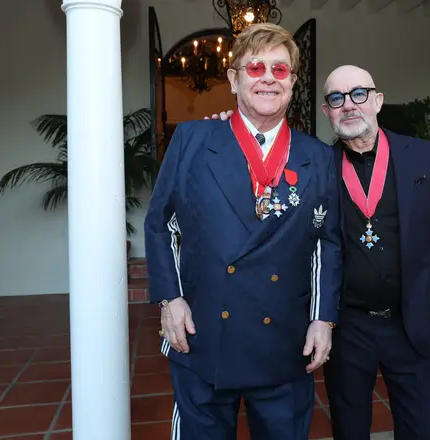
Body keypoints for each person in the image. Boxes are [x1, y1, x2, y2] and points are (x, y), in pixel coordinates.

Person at [207, 65, 430, 440]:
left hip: (413, 323)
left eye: (358, 94)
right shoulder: (317, 165)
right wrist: (227, 130)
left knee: (418, 428)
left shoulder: (425, 157)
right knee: (349, 427)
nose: (349, 105)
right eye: (336, 98)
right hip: (347, 327)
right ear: (327, 112)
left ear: (377, 101)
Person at [144, 23, 343, 440]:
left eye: (280, 69)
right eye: (254, 67)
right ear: (234, 80)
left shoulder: (318, 157)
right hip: (201, 334)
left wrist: (323, 318)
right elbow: (159, 222)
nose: (268, 76)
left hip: (284, 343)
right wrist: (169, 297)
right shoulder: (193, 139)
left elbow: (327, 243)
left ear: (291, 82)